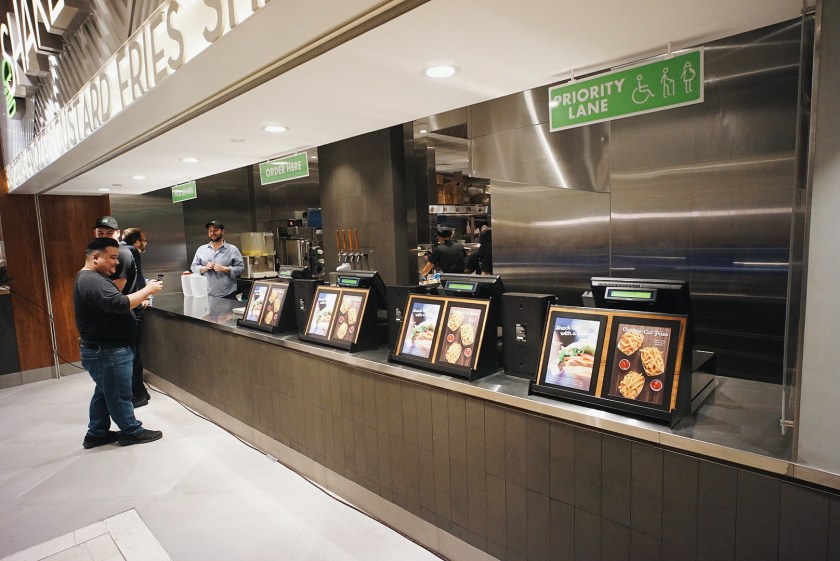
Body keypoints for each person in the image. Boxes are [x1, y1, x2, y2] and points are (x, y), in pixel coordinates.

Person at [74, 237, 163, 448]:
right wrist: (148, 290)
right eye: (112, 257)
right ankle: (131, 431)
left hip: (102, 349)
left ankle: (97, 432)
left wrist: (139, 299)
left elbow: (111, 306)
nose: (116, 263)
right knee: (120, 394)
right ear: (95, 257)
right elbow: (119, 304)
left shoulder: (91, 278)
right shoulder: (92, 280)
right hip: (108, 350)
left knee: (104, 391)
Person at [122, 227, 152, 407]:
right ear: (137, 242)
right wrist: (144, 295)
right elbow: (138, 278)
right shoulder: (132, 251)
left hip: (127, 307)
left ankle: (138, 390)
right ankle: (138, 393)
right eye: (144, 239)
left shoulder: (120, 249)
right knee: (132, 351)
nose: (146, 243)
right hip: (133, 309)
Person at [190, 220, 244, 298]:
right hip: (206, 294)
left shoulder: (232, 249)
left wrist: (225, 269)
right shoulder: (201, 249)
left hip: (228, 294)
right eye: (210, 231)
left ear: (222, 231)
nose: (212, 233)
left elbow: (240, 269)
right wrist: (204, 268)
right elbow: (193, 267)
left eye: (215, 230)